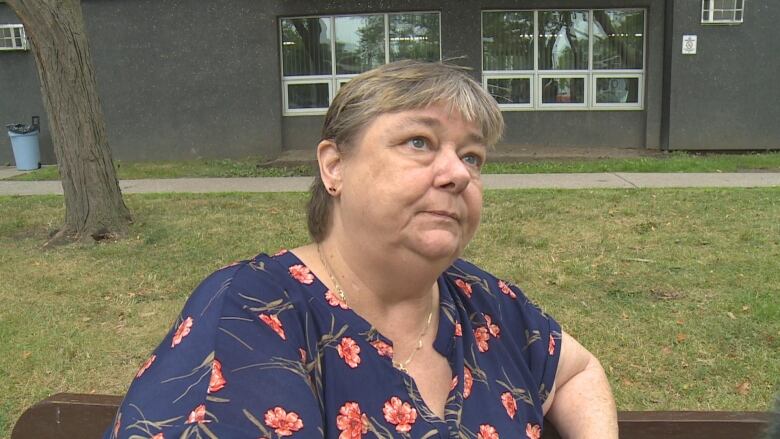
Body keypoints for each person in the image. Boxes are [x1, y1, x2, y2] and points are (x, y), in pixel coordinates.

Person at [105, 60, 617, 439]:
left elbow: (576, 371)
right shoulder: (255, 311)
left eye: (472, 155)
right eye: (419, 141)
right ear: (334, 167)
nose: (459, 172)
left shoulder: (484, 301)